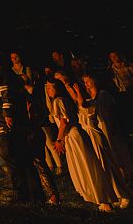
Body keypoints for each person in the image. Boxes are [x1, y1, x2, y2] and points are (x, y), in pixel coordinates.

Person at [46, 79, 127, 211]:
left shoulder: (58, 101)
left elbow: (64, 122)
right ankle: (104, 199)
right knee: (89, 165)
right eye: (47, 87)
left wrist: (59, 140)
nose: (49, 90)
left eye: (51, 87)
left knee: (87, 167)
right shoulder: (64, 100)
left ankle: (103, 201)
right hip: (75, 135)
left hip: (73, 136)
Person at [0, 49, 43, 203]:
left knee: (14, 160)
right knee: (16, 159)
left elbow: (6, 93)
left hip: (2, 123)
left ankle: (24, 194)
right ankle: (29, 193)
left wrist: (7, 114)